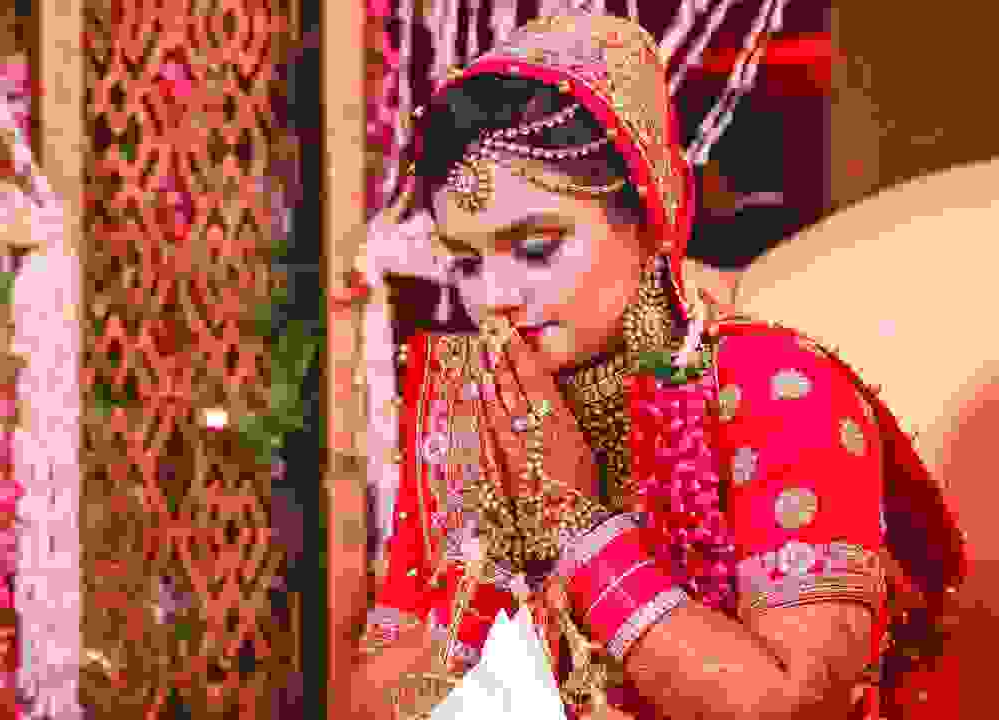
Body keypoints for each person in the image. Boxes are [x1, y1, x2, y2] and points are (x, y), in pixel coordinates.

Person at [344, 10, 967, 720]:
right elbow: (377, 697)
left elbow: (790, 707)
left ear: (652, 216)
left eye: (538, 247)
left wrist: (577, 527)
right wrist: (484, 560)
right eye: (465, 262)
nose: (496, 296)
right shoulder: (473, 412)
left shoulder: (777, 392)